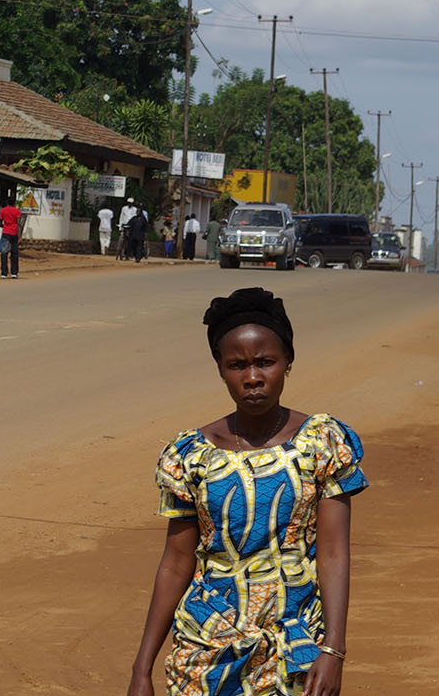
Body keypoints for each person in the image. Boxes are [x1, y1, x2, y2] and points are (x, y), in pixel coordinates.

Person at [128, 287, 364, 696]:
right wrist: (141, 669)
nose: (253, 377)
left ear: (288, 362)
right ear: (220, 369)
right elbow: (175, 562)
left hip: (293, 650)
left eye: (266, 362)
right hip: (204, 651)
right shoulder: (191, 456)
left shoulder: (321, 443)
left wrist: (333, 649)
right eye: (237, 365)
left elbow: (333, 552)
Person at [0, 195, 24, 279]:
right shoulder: (17, 211)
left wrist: (5, 225)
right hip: (14, 232)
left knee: (4, 252)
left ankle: (4, 273)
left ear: (7, 203)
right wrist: (20, 235)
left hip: (6, 232)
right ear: (14, 203)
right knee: (14, 252)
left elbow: (0, 221)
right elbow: (19, 224)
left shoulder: (3, 210)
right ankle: (14, 272)